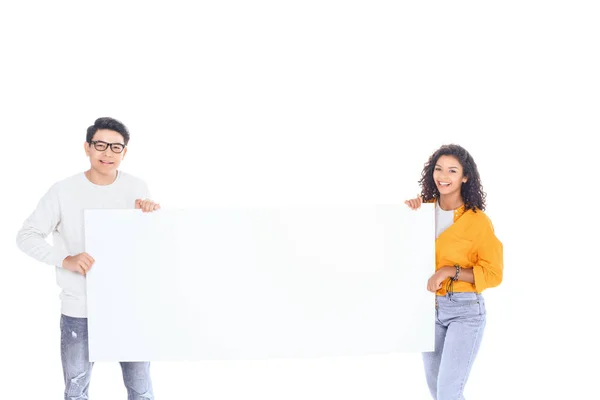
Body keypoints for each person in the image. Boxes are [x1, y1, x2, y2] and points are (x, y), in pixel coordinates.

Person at [16, 117, 160, 399]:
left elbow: (148, 248)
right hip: (79, 308)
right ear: (87, 147)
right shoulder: (63, 190)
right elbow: (26, 235)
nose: (108, 153)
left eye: (116, 147)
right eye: (101, 145)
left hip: (128, 306)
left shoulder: (137, 188)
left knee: (141, 390)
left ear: (125, 152)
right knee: (76, 390)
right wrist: (65, 259)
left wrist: (151, 217)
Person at [405, 144, 503, 400]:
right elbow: (403, 254)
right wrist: (408, 215)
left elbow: (493, 273)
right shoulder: (422, 213)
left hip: (465, 311)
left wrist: (450, 271)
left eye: (452, 170)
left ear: (465, 177)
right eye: (438, 169)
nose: (443, 176)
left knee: (449, 392)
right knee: (438, 391)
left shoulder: (477, 220)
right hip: (427, 310)